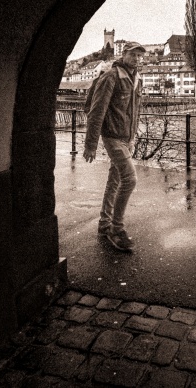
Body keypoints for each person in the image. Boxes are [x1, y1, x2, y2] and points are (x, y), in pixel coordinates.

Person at [83, 42, 145, 251]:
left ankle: (104, 223)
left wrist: (133, 138)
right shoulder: (111, 76)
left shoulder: (136, 78)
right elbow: (96, 111)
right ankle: (116, 229)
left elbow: (134, 111)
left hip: (126, 138)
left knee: (115, 180)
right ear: (124, 54)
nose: (137, 59)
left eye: (140, 56)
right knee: (130, 179)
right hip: (112, 137)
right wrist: (91, 144)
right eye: (133, 55)